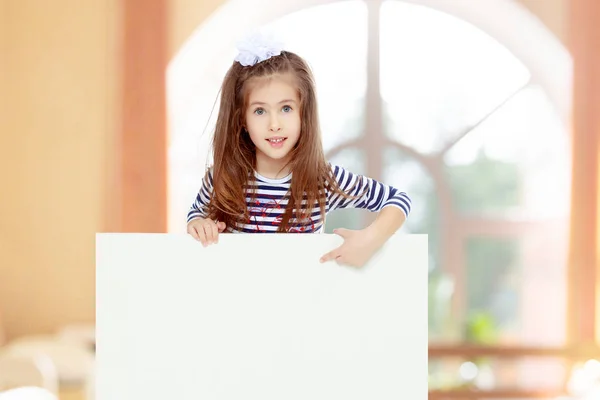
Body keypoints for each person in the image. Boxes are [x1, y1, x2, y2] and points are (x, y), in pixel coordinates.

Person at [186, 32, 412, 268]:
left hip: (306, 300)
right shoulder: (222, 177)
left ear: (303, 113)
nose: (274, 124)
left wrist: (369, 240)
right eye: (260, 111)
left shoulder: (322, 179)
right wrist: (199, 224)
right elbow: (196, 215)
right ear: (242, 119)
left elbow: (398, 200)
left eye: (286, 108)